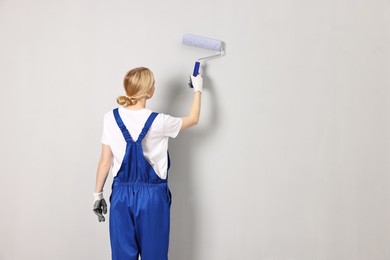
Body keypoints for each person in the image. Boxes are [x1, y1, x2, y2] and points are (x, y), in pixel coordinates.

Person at [92, 67, 203, 260]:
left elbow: (105, 160)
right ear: (148, 91)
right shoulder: (160, 121)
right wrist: (198, 89)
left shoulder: (110, 118)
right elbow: (193, 119)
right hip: (152, 199)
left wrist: (97, 194)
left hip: (121, 197)